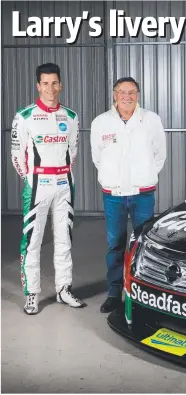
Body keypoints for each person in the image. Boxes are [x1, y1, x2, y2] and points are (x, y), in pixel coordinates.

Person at [11, 63, 86, 315]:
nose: (50, 88)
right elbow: (16, 155)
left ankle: (63, 289)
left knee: (64, 239)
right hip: (37, 186)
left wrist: (61, 174)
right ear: (38, 86)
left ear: (60, 85)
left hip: (65, 184)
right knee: (32, 241)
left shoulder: (72, 117)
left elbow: (73, 152)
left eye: (54, 83)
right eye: (45, 83)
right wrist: (32, 178)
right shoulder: (24, 116)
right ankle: (31, 294)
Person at [90, 77, 167, 313]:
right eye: (122, 92)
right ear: (114, 94)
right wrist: (112, 178)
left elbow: (160, 154)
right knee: (116, 244)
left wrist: (144, 177)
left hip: (142, 194)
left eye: (131, 92)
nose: (126, 96)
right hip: (113, 194)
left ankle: (142, 293)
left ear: (138, 95)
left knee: (143, 245)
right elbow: (97, 157)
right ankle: (114, 293)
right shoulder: (101, 122)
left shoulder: (151, 120)